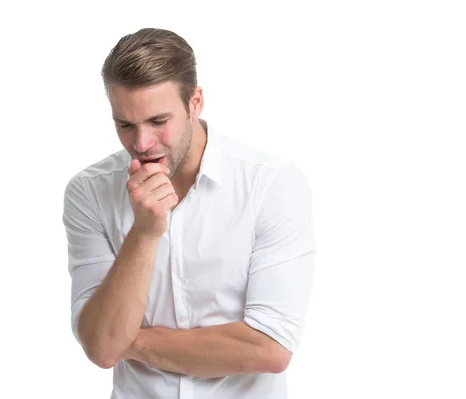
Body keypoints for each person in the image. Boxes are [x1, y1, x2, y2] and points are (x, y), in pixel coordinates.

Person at [62, 27, 316, 399]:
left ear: (195, 102)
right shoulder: (89, 192)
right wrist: (144, 233)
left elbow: (270, 348)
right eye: (125, 125)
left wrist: (131, 342)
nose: (142, 144)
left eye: (158, 121)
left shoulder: (271, 185)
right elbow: (102, 348)